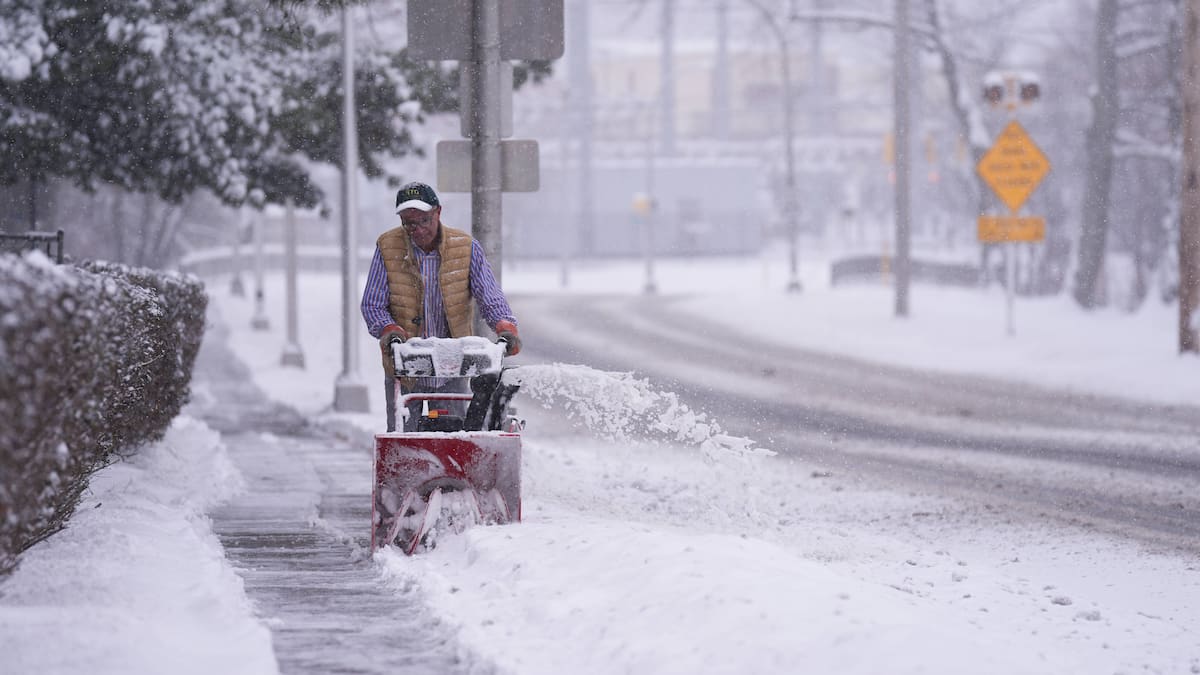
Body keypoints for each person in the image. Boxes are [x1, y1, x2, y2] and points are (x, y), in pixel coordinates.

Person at [360, 181, 520, 432]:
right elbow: (372, 304)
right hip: (405, 364)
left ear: (438, 213)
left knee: (453, 436)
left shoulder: (465, 248)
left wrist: (505, 326)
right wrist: (388, 329)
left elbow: (489, 296)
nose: (417, 229)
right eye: (409, 223)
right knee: (404, 437)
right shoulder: (387, 247)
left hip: (452, 365)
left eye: (423, 220)